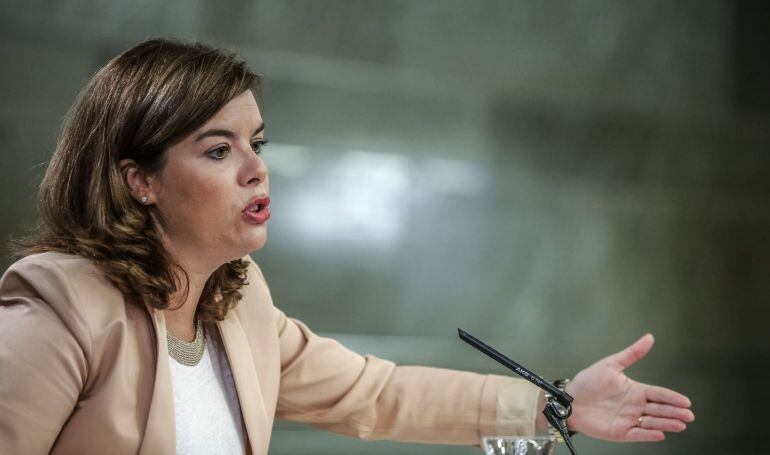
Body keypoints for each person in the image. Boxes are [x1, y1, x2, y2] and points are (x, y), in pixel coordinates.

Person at [0, 38, 694, 454]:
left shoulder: (234, 305)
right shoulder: (61, 307)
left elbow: (380, 392)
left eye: (257, 143)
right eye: (218, 150)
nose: (255, 167)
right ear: (140, 179)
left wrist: (557, 401)